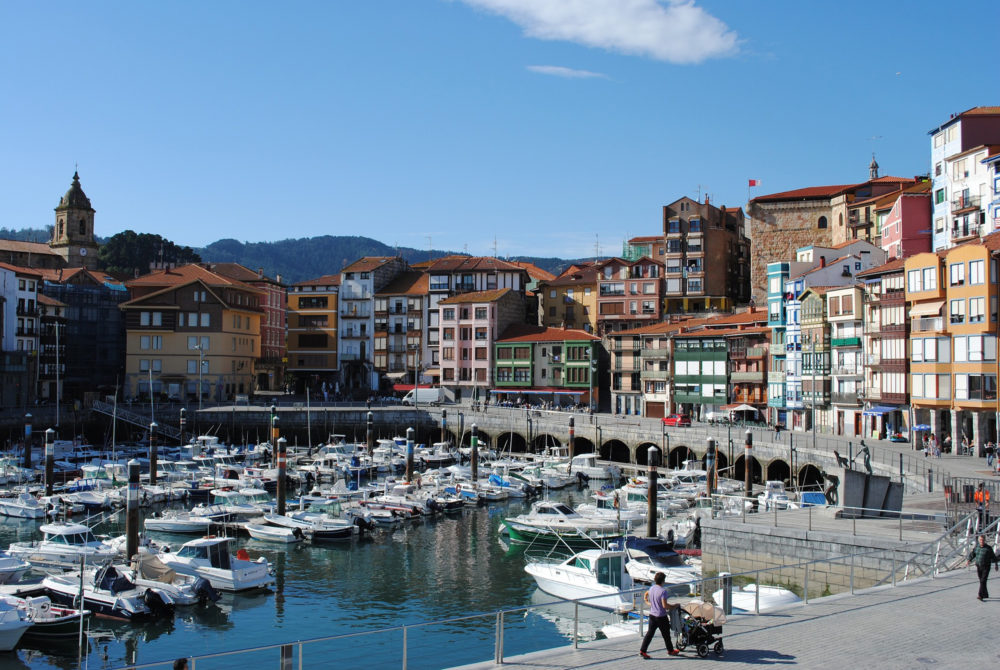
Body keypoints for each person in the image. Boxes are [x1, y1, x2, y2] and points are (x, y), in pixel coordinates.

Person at [639, 572, 680, 659]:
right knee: (666, 634)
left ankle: (643, 650)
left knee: (649, 634)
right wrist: (674, 606)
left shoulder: (651, 588)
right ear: (663, 581)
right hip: (661, 616)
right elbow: (664, 606)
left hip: (652, 615)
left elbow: (649, 597)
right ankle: (670, 650)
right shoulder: (663, 591)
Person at [966, 534, 998, 601]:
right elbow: (972, 554)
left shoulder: (988, 548)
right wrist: (969, 560)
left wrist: (996, 565)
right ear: (978, 540)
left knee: (983, 581)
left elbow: (993, 557)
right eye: (980, 540)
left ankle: (980, 595)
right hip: (978, 566)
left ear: (985, 540)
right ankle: (985, 594)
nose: (981, 541)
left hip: (986, 567)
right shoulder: (977, 547)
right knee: (982, 581)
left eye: (983, 540)